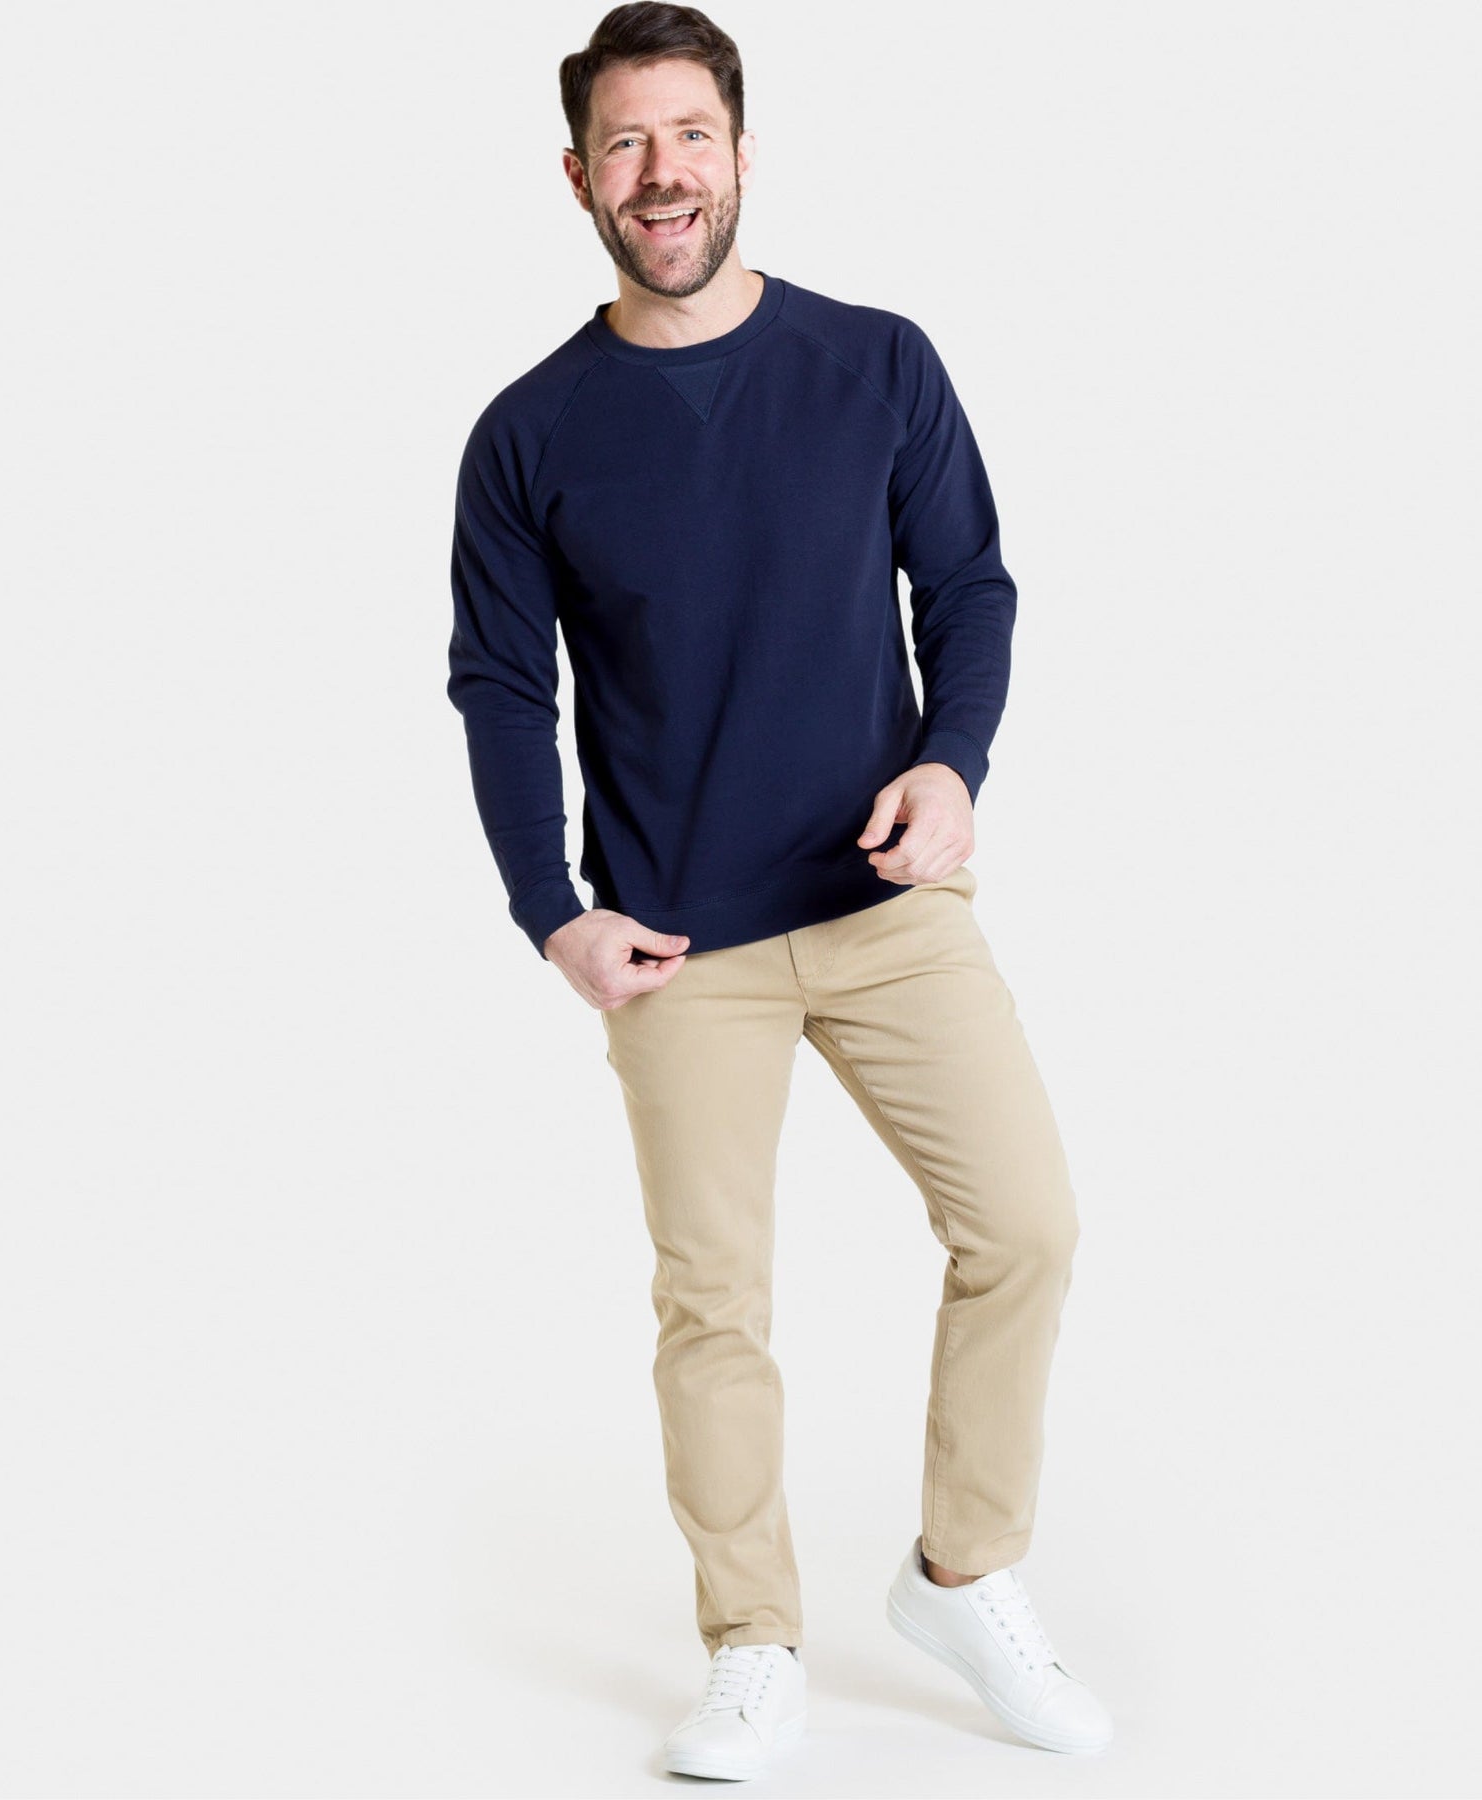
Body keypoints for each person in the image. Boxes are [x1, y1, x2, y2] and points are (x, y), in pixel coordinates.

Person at [446, 2, 1111, 1778]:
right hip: (679, 943)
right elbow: (502, 688)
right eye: (626, 143)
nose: (661, 173)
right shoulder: (529, 432)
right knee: (715, 1305)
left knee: (1028, 1226)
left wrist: (952, 767)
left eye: (690, 135)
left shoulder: (877, 363)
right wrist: (551, 909)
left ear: (742, 152)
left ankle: (962, 1575)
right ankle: (752, 1644)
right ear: (579, 176)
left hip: (889, 907)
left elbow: (968, 588)